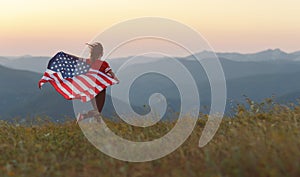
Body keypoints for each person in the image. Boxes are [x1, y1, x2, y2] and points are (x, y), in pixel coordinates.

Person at [77, 42, 119, 122]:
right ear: (101, 53)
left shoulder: (89, 62)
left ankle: (98, 124)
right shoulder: (104, 64)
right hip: (100, 90)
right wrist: (116, 79)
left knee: (96, 109)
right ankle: (83, 116)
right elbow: (110, 73)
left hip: (90, 89)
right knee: (97, 110)